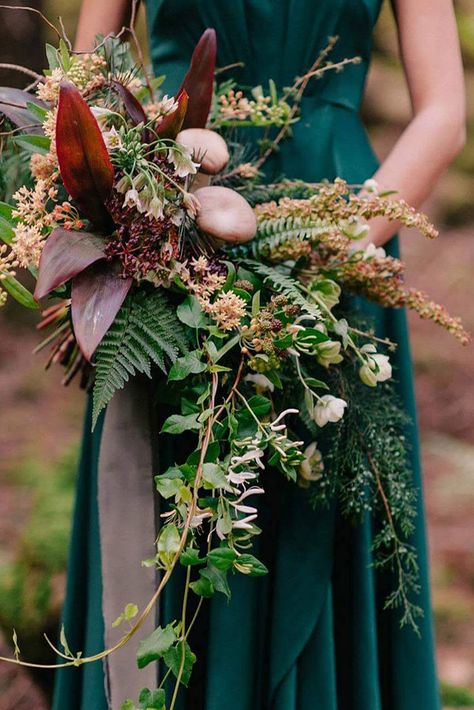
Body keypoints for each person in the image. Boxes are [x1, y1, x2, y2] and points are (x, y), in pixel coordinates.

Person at [53, 1, 465, 708]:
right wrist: (136, 203)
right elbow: (77, 88)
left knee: (315, 502)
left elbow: (443, 113)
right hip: (173, 231)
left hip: (341, 229)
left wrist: (339, 240)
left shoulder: (339, 239)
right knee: (167, 521)